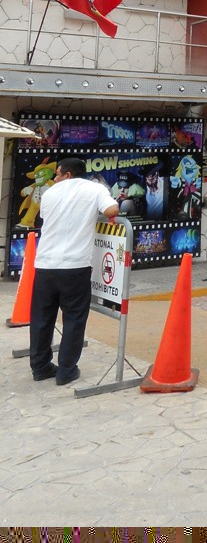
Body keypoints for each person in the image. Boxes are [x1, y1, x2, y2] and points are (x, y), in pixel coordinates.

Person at [29, 156, 119, 386]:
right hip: (75, 266)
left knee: (41, 318)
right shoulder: (94, 189)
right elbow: (111, 208)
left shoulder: (49, 193)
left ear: (68, 174)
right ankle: (66, 371)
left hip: (45, 265)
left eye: (57, 174)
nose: (55, 178)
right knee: (74, 319)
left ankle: (40, 367)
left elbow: (46, 217)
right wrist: (103, 214)